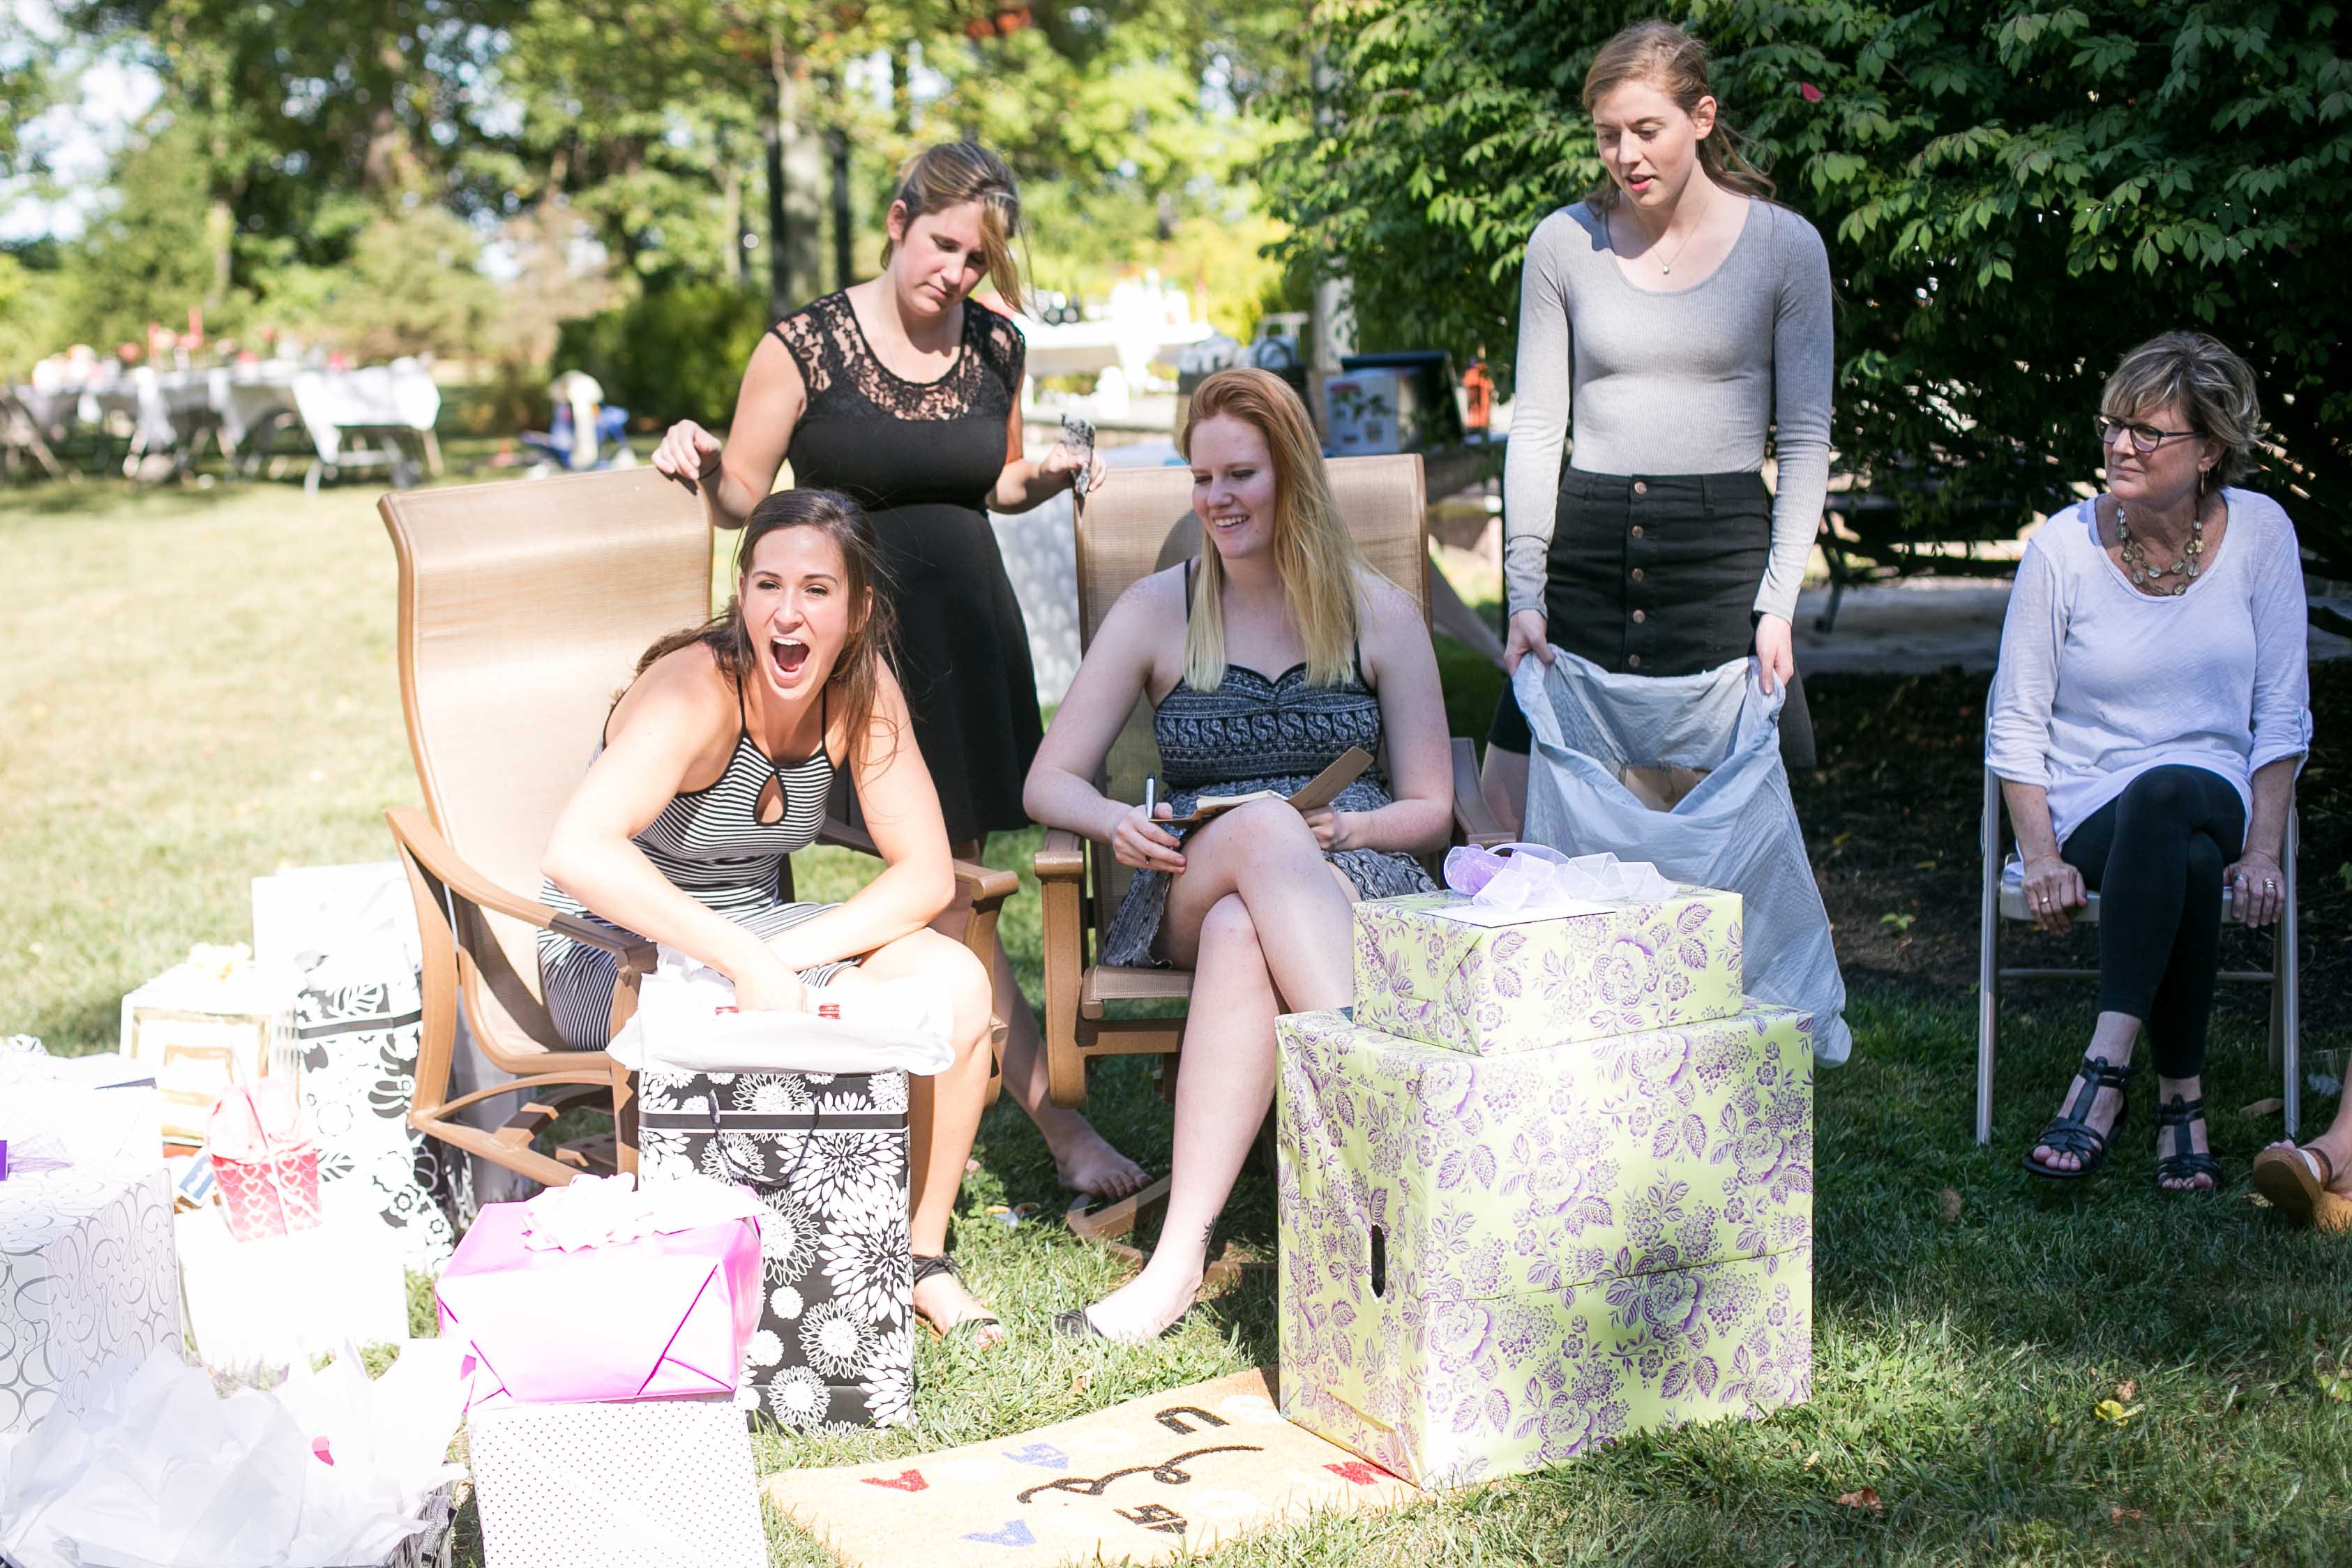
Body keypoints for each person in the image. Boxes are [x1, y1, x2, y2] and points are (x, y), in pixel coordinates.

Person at [648, 142, 1147, 1204]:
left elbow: (990, 480)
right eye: (944, 246)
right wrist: (699, 454)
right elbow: (743, 496)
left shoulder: (999, 345)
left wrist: (1041, 473)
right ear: (896, 220)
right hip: (840, 648)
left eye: (978, 259)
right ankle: (1018, 1120)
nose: (958, 274)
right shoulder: (802, 347)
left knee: (951, 893)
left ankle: (961, 1118)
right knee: (916, 895)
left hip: (963, 638)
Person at [1023, 368, 1453, 1341]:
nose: (1216, 498)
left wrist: (1350, 829)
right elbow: (1048, 781)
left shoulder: (1376, 611)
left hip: (1352, 876)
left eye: (1240, 475)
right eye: (1202, 477)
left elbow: (1431, 809)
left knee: (1239, 932)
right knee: (1257, 830)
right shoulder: (1159, 608)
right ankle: (1389, 1122)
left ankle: (1175, 1265)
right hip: (1190, 871)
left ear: (1292, 473)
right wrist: (1115, 823)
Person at [537, 489, 1005, 1342]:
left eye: (817, 589)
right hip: (612, 949)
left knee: (961, 985)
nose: (788, 612)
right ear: (741, 593)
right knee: (839, 995)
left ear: (858, 609)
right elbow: (577, 849)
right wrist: (745, 958)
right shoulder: (697, 690)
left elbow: (927, 873)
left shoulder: (861, 689)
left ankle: (918, 1258)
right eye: (768, 585)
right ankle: (774, 1242)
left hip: (753, 931)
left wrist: (776, 955)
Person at [1482, 18, 1832, 821]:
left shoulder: (1786, 248)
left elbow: (1806, 439)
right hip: (1586, 558)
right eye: (1608, 135)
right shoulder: (1562, 244)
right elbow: (1537, 429)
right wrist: (1524, 593)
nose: (1626, 155)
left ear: (1701, 118)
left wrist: (1778, 604)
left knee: (1718, 839)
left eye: (1646, 130)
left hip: (1722, 564)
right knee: (1527, 821)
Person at [1987, 331, 2309, 1189]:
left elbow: (2282, 712)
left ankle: (2102, 1074)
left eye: (2147, 431)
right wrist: (2041, 855)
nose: (2119, 445)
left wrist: (2264, 851)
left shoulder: (2262, 535)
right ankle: (2181, 1105)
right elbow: (2015, 720)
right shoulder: (2062, 549)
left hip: (2215, 789)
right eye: (2113, 425)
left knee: (2170, 795)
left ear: (2208, 452)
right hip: (2091, 808)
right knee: (2190, 861)